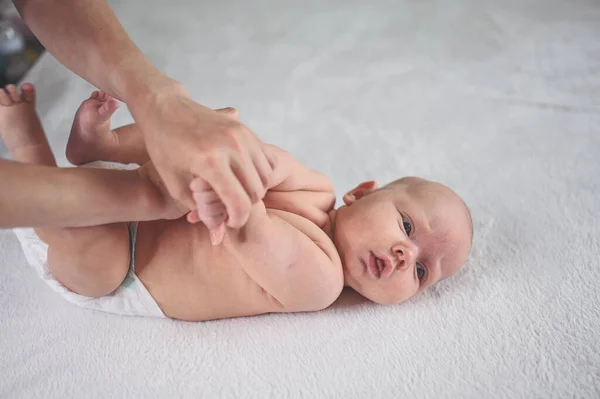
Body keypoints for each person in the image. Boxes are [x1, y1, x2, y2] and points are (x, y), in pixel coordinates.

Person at [4, 85, 473, 321]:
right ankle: (100, 148)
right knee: (214, 133)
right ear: (363, 192)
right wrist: (231, 152)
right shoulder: (316, 189)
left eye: (421, 272)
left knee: (99, 254)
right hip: (133, 190)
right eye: (407, 229)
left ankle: (30, 149)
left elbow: (252, 234)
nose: (404, 255)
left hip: (122, 269)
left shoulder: (322, 282)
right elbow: (264, 160)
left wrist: (231, 197)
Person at [0, 0, 272, 230]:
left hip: (129, 246)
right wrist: (148, 193)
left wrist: (157, 98)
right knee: (178, 148)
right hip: (147, 226)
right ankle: (86, 147)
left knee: (76, 243)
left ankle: (48, 145)